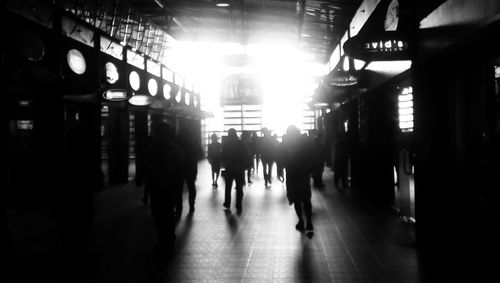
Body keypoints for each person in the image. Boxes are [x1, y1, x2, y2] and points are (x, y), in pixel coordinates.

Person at [144, 121, 184, 256]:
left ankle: (163, 239)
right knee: (167, 214)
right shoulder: (176, 150)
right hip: (169, 187)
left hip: (156, 187)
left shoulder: (151, 149)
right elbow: (180, 171)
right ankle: (168, 239)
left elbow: (147, 166)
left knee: (158, 214)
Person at [282, 125, 315, 235]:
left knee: (296, 199)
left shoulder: (287, 144)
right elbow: (311, 156)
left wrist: (280, 170)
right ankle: (309, 221)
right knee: (306, 199)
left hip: (292, 175)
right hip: (303, 174)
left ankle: (301, 220)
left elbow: (282, 158)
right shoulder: (304, 143)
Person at [221, 128, 250, 215]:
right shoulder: (241, 144)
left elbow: (223, 156)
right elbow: (246, 155)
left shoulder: (226, 145)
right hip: (239, 169)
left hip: (229, 168)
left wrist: (225, 163)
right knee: (239, 188)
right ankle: (238, 205)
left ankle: (227, 203)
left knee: (228, 187)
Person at [178, 127, 202, 215]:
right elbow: (200, 155)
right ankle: (191, 205)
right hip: (191, 167)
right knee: (191, 187)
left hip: (180, 168)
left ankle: (178, 206)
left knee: (178, 188)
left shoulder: (178, 143)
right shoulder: (194, 143)